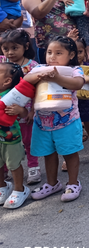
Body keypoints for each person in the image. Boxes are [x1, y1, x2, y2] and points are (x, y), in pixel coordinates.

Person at [24, 37, 85, 202]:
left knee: (69, 153)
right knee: (48, 154)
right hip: (42, 123)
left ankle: (73, 183)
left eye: (59, 53)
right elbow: (26, 80)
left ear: (71, 55)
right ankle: (52, 184)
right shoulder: (39, 68)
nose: (52, 57)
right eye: (49, 52)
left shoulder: (74, 70)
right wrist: (40, 75)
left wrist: (57, 78)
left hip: (67, 122)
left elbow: (78, 83)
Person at [0, 30, 40, 184]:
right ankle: (5, 170)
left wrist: (32, 111)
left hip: (25, 112)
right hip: (4, 114)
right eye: (5, 48)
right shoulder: (2, 63)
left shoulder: (33, 67)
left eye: (14, 48)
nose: (10, 52)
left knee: (28, 140)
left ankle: (33, 166)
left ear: (26, 46)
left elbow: (37, 91)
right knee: (4, 141)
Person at [0, 62, 31, 209]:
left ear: (7, 81)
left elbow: (24, 113)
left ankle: (20, 189)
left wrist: (19, 110)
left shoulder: (12, 96)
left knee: (14, 164)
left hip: (11, 138)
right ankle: (2, 187)